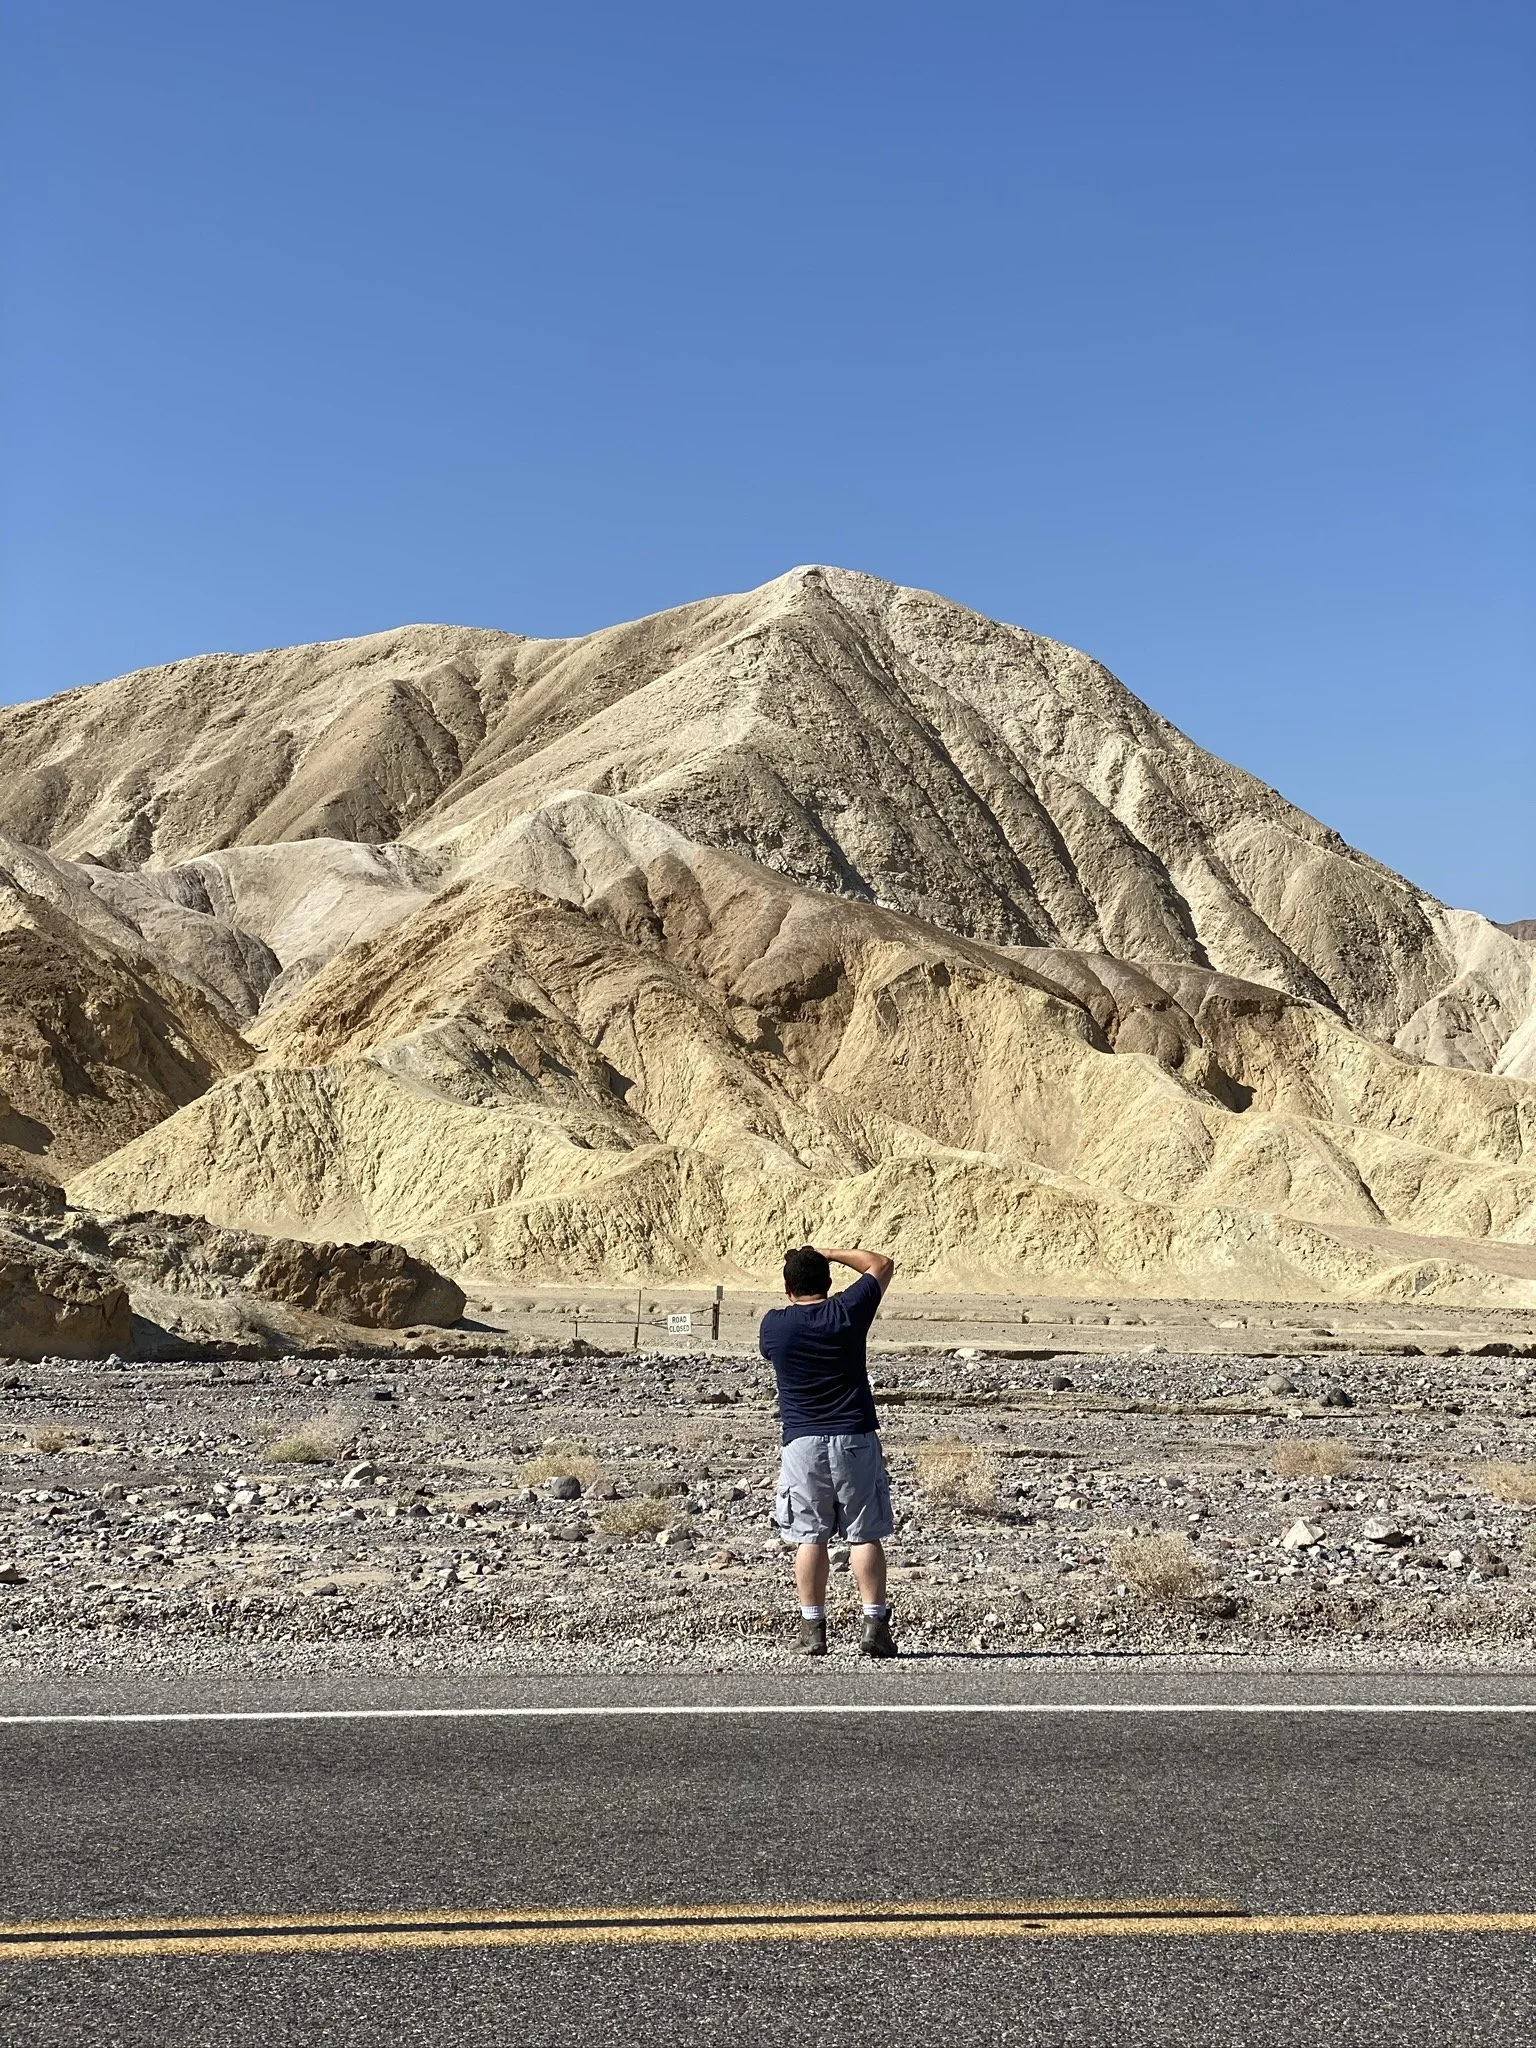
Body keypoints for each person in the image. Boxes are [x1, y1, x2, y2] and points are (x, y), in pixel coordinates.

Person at [758, 1244, 898, 1657]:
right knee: (864, 1533)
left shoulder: (775, 1325)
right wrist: (829, 1252)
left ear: (788, 1287)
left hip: (802, 1441)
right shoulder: (846, 1311)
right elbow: (881, 1264)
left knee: (809, 1536)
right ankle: (874, 1627)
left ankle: (812, 1628)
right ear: (829, 1281)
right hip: (854, 1435)